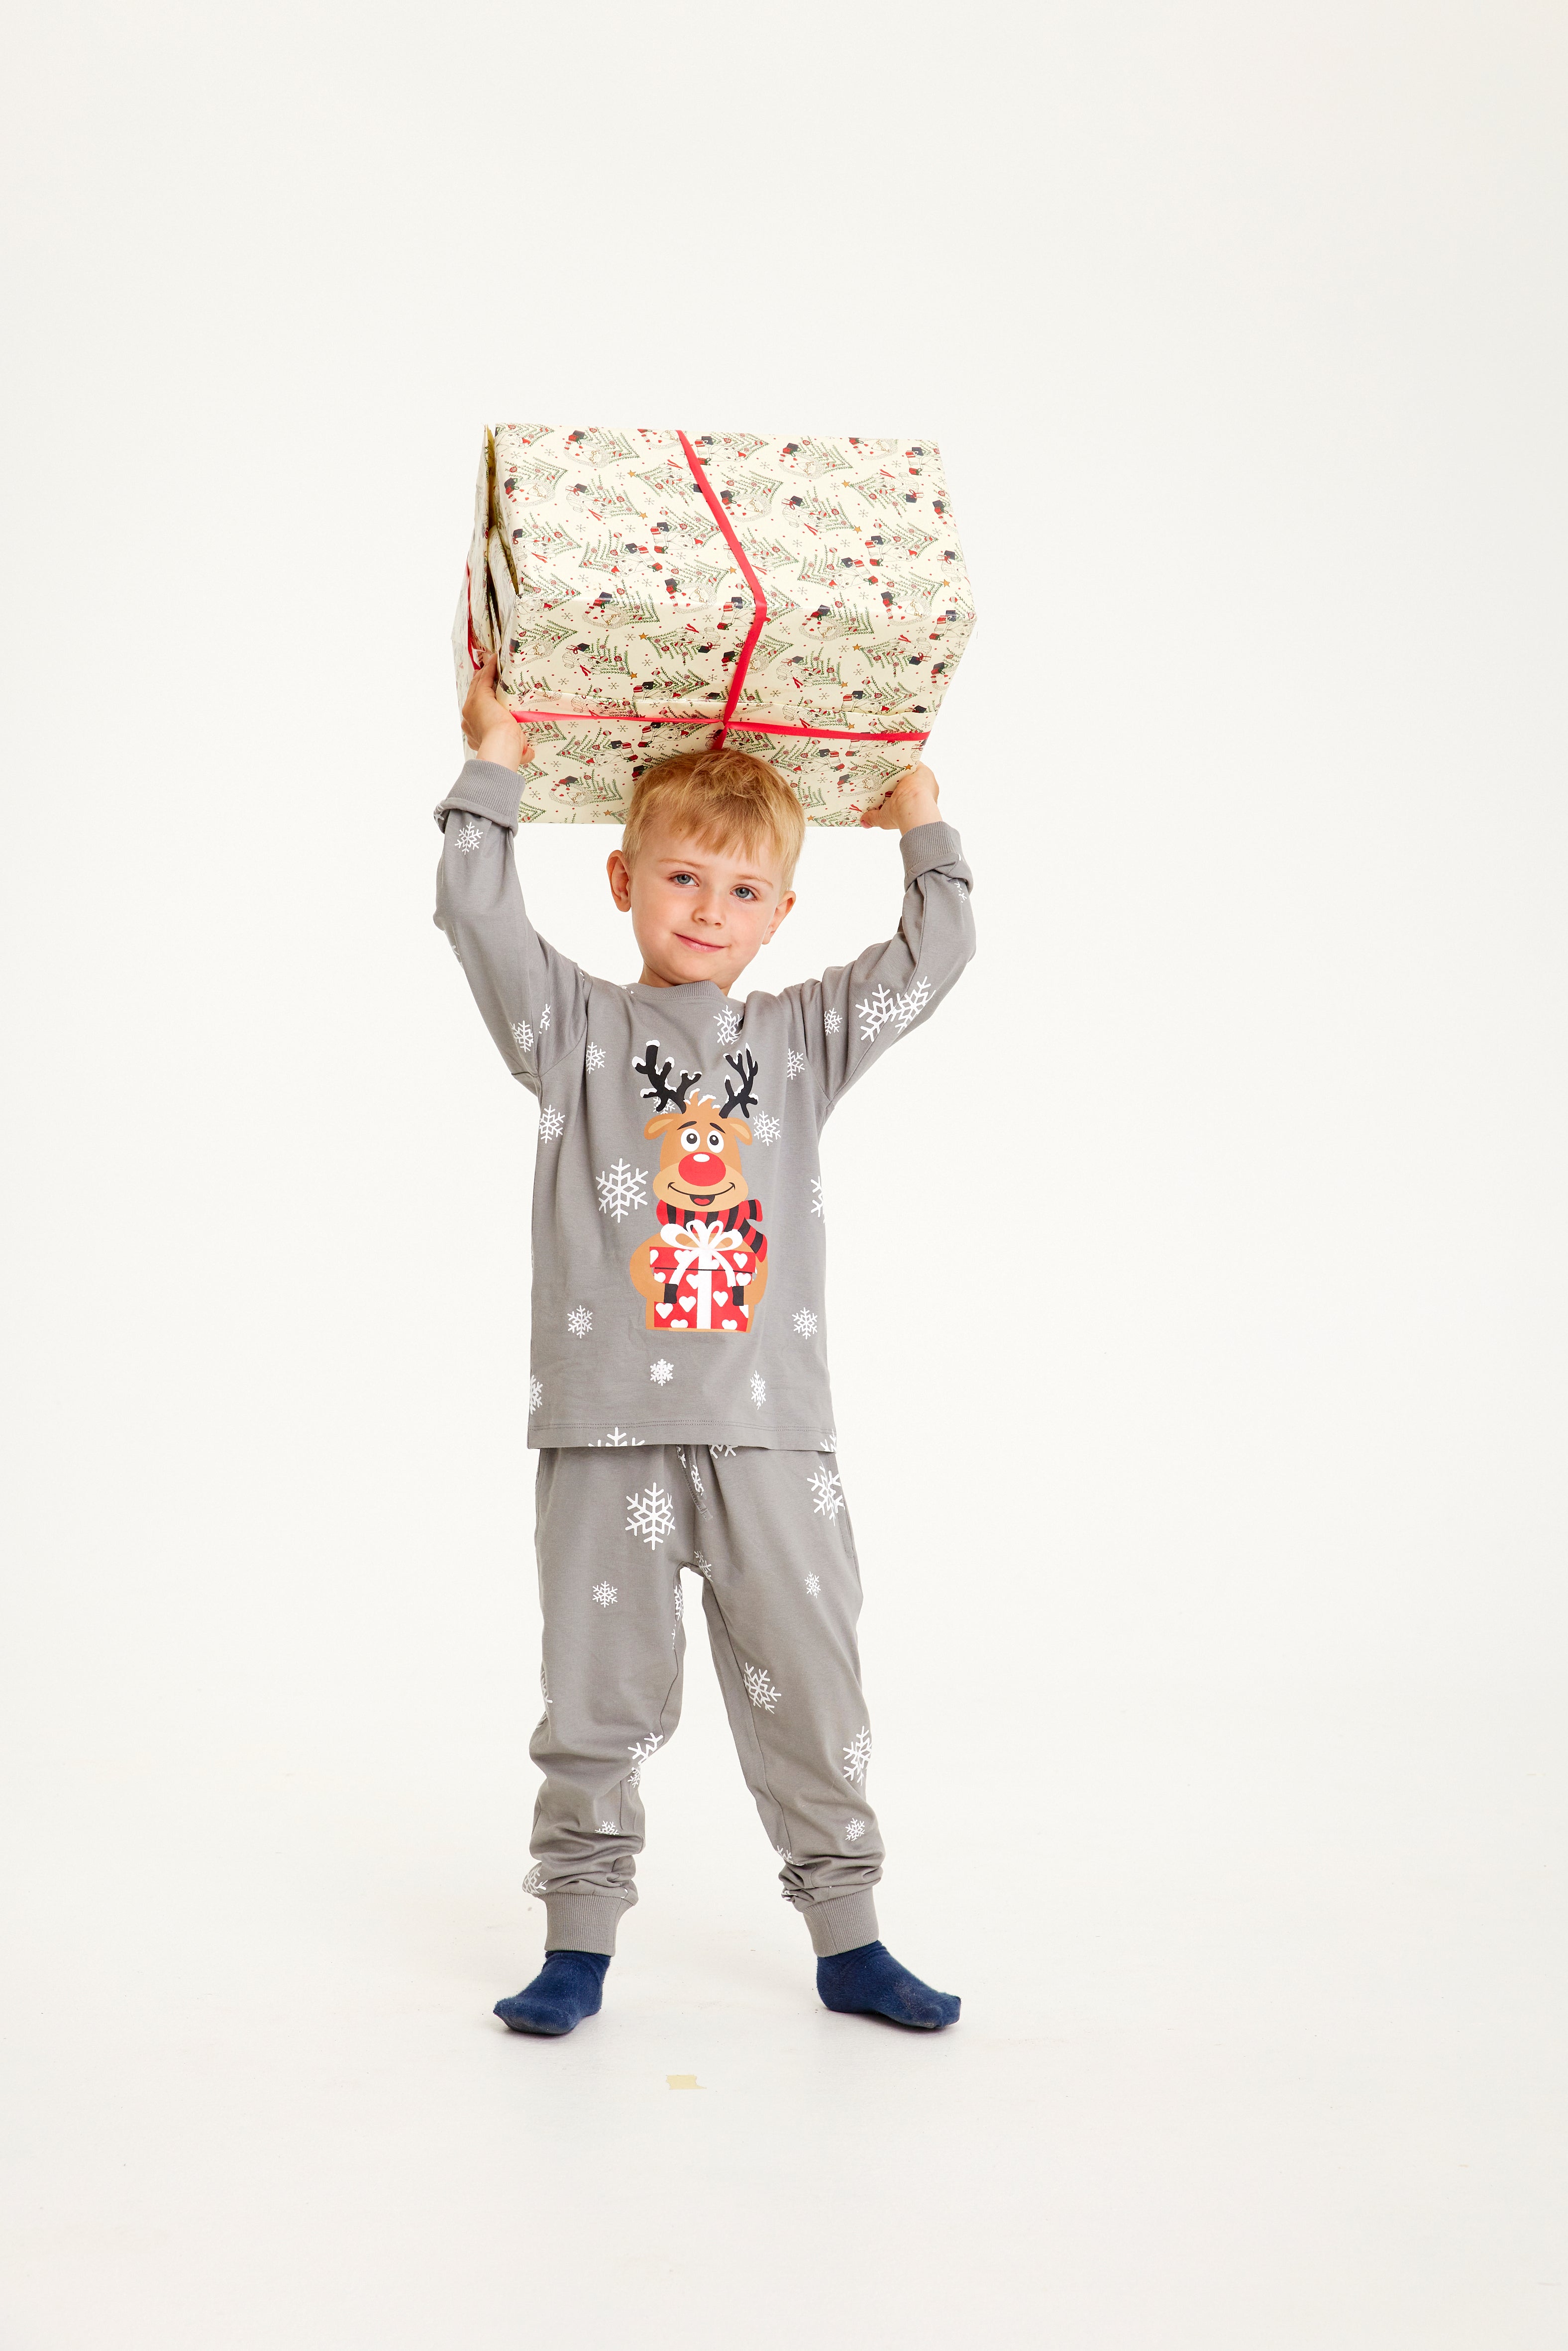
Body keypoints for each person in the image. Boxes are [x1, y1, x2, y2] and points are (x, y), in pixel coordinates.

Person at [434, 654, 976, 2034]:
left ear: (782, 911)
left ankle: (848, 1936)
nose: (710, 910)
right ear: (622, 879)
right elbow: (476, 916)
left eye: (742, 892)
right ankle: (578, 1941)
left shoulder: (799, 1039)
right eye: (682, 879)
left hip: (772, 1430)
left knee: (813, 1673)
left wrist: (922, 822)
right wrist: (494, 763)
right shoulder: (574, 1029)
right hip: (603, 1427)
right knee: (595, 1695)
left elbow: (937, 959)